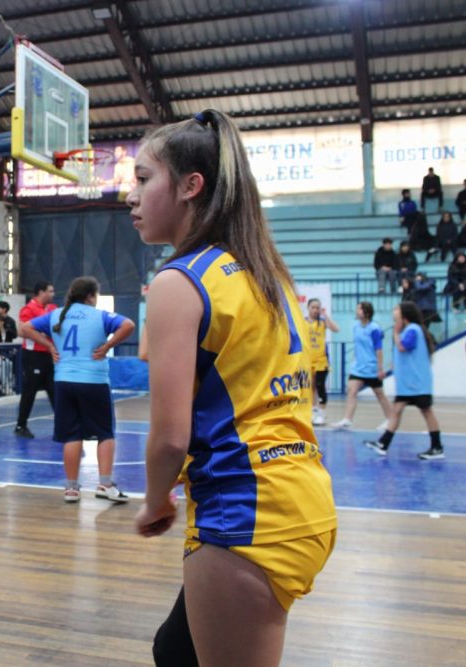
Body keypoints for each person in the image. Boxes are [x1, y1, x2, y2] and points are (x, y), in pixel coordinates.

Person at [127, 109, 336, 667]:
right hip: (300, 496)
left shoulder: (178, 282)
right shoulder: (265, 273)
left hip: (246, 511)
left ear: (191, 186)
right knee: (174, 650)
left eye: (144, 179)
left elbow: (169, 439)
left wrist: (153, 503)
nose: (132, 195)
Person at [19, 276, 134, 503]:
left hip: (64, 381)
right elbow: (128, 325)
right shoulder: (98, 315)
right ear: (91, 296)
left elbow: (24, 328)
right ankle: (105, 484)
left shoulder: (57, 314)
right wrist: (108, 346)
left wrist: (50, 345)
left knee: (71, 435)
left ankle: (71, 489)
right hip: (93, 381)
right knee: (105, 433)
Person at [364, 303, 445, 460]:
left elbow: (403, 347)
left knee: (427, 412)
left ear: (404, 314)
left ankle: (437, 447)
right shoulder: (411, 330)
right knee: (396, 410)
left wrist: (395, 332)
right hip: (408, 384)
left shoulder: (412, 330)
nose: (394, 312)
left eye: (397, 310)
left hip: (416, 383)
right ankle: (383, 443)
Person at [331, 302, 393, 431]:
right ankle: (347, 419)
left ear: (366, 312)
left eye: (359, 309)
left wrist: (380, 368)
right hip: (358, 368)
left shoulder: (375, 329)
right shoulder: (356, 327)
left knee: (380, 394)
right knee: (351, 391)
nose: (357, 311)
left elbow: (379, 349)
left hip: (371, 368)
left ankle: (390, 419)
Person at [14, 281, 57, 438]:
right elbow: (22, 331)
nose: (53, 294)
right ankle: (21, 425)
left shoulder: (53, 309)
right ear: (41, 292)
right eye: (50, 291)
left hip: (49, 355)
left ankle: (62, 424)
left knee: (54, 390)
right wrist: (43, 334)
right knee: (29, 391)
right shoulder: (28, 309)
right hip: (33, 356)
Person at [305, 298, 339, 426]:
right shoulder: (303, 322)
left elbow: (336, 329)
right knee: (310, 387)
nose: (315, 310)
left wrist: (326, 316)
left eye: (317, 307)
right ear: (308, 308)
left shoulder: (323, 322)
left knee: (320, 386)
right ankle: (313, 411)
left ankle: (322, 413)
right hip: (308, 360)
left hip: (321, 360)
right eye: (313, 307)